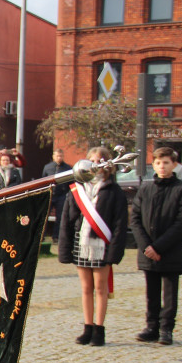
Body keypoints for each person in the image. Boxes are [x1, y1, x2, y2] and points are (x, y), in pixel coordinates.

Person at [58, 146, 127, 347]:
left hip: (102, 244)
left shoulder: (114, 191)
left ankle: (99, 329)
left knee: (100, 288)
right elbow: (67, 220)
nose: (96, 164)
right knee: (86, 288)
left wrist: (115, 252)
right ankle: (87, 327)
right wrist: (65, 249)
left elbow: (120, 223)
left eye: (100, 161)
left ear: (108, 164)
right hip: (82, 242)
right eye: (93, 160)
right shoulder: (77, 189)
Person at [129, 146, 182, 346]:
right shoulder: (146, 188)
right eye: (158, 163)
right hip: (148, 250)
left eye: (166, 162)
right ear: (153, 165)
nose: (162, 166)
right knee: (151, 292)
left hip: (171, 250)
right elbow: (135, 219)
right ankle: (151, 327)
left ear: (174, 164)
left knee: (170, 292)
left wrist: (159, 247)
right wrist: (146, 246)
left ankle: (166, 329)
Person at [42, 148, 73, 242]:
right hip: (50, 194)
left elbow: (71, 182)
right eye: (57, 156)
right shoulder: (47, 167)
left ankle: (56, 237)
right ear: (53, 157)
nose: (59, 158)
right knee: (44, 215)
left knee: (60, 217)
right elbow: (43, 181)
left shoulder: (68, 168)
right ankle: (42, 236)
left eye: (61, 156)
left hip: (62, 195)